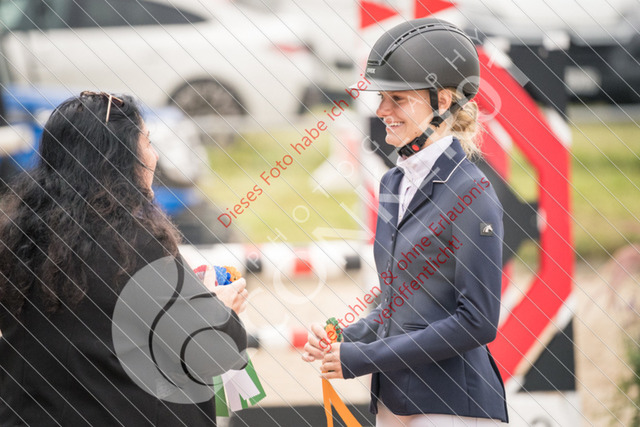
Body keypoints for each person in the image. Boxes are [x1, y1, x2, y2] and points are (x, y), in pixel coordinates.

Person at [303, 19, 509, 425]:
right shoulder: (393, 183)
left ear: (442, 101)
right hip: (393, 402)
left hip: (450, 406)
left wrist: (365, 357)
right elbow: (402, 305)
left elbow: (478, 322)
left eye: (397, 99)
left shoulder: (471, 191)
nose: (382, 111)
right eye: (381, 98)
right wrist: (345, 337)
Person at [0, 92, 248, 426]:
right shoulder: (135, 246)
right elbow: (212, 351)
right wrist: (221, 308)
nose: (154, 156)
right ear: (121, 157)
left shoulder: (17, 237)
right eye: (148, 142)